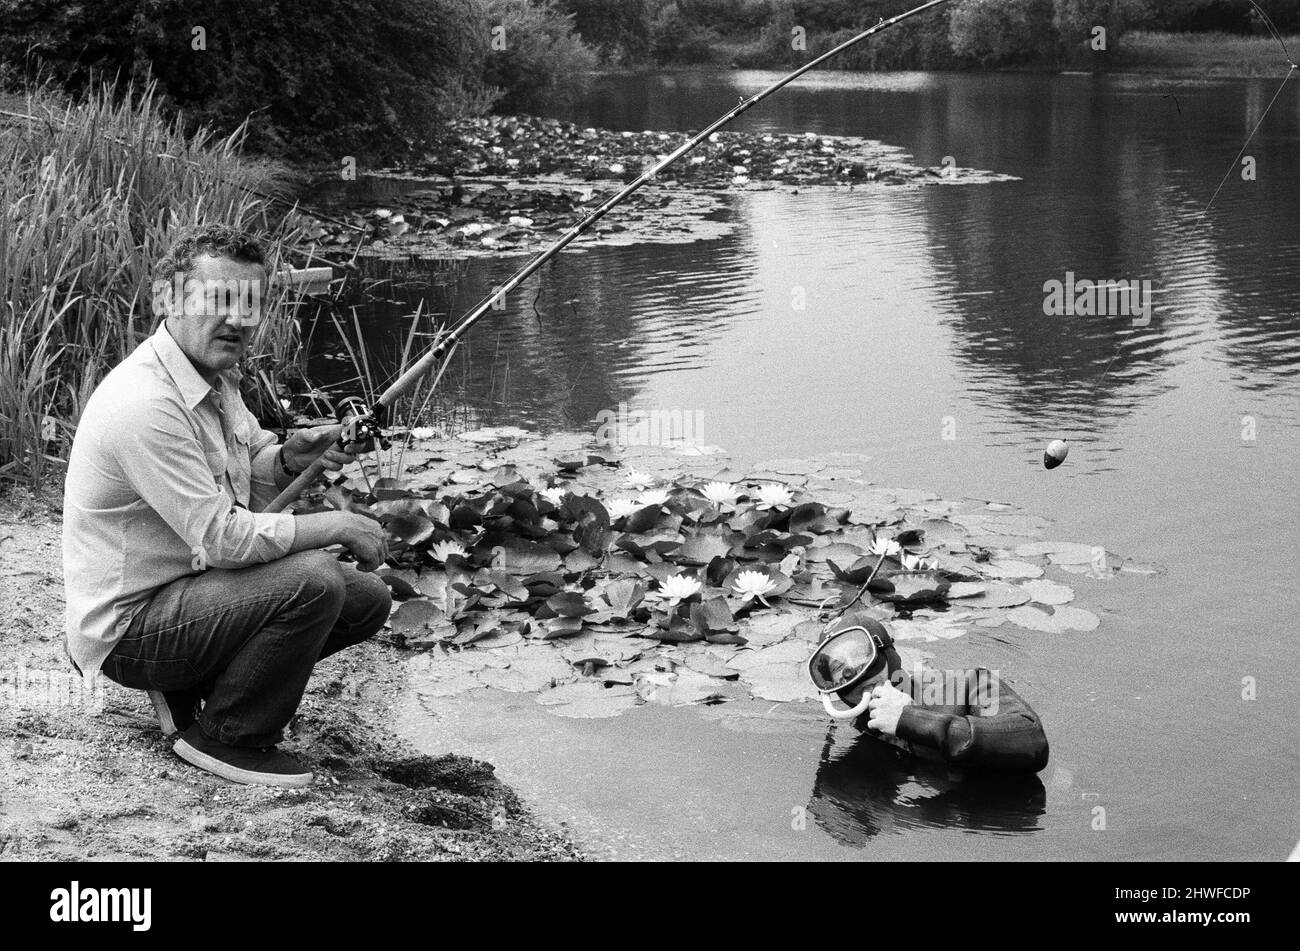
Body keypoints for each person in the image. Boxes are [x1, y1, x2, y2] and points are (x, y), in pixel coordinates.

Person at [63, 223, 391, 787]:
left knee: (365, 599)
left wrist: (289, 457)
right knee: (315, 580)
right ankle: (227, 738)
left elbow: (249, 473)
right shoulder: (145, 404)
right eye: (219, 299)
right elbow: (225, 538)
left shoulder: (212, 375)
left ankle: (191, 689)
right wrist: (333, 523)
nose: (237, 320)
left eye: (250, 304)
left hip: (187, 591)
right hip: (131, 631)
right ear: (171, 298)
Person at [810, 613, 1050, 773]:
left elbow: (1031, 742)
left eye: (861, 654)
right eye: (839, 668)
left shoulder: (970, 684)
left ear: (887, 653)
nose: (852, 670)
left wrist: (909, 718)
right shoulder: (861, 726)